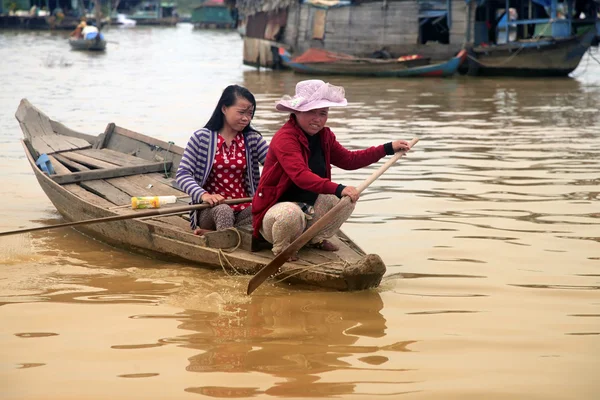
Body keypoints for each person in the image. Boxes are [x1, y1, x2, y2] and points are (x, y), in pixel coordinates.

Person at [252, 80, 411, 260]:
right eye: (311, 111)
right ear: (296, 112)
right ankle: (282, 249)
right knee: (291, 213)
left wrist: (388, 148)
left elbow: (350, 160)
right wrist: (339, 187)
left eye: (323, 113)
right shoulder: (285, 138)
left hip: (308, 210)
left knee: (345, 200)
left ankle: (315, 239)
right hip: (276, 215)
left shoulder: (325, 136)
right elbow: (300, 176)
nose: (318, 119)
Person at [176, 85, 268, 235]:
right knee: (224, 211)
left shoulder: (252, 139)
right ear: (224, 109)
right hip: (210, 210)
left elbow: (275, 164)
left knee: (265, 208)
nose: (246, 118)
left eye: (250, 113)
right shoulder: (201, 138)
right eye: (241, 112)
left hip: (243, 207)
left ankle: (218, 235)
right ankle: (225, 241)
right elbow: (183, 174)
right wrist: (205, 195)